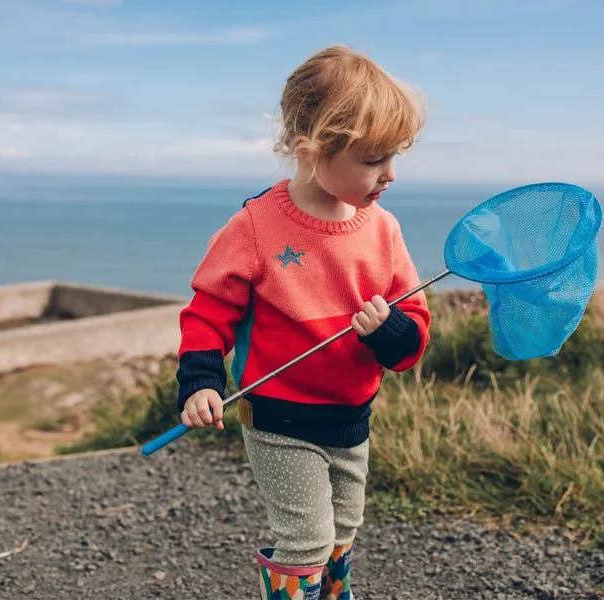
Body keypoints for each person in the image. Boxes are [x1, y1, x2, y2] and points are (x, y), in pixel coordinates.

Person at [174, 45, 432, 600]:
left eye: (394, 158)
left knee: (343, 530)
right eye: (372, 159)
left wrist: (388, 332)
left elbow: (412, 332)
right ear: (310, 149)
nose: (389, 174)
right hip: (279, 418)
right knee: (307, 539)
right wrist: (200, 382)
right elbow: (208, 311)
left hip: (351, 416)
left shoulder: (382, 229)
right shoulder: (255, 226)